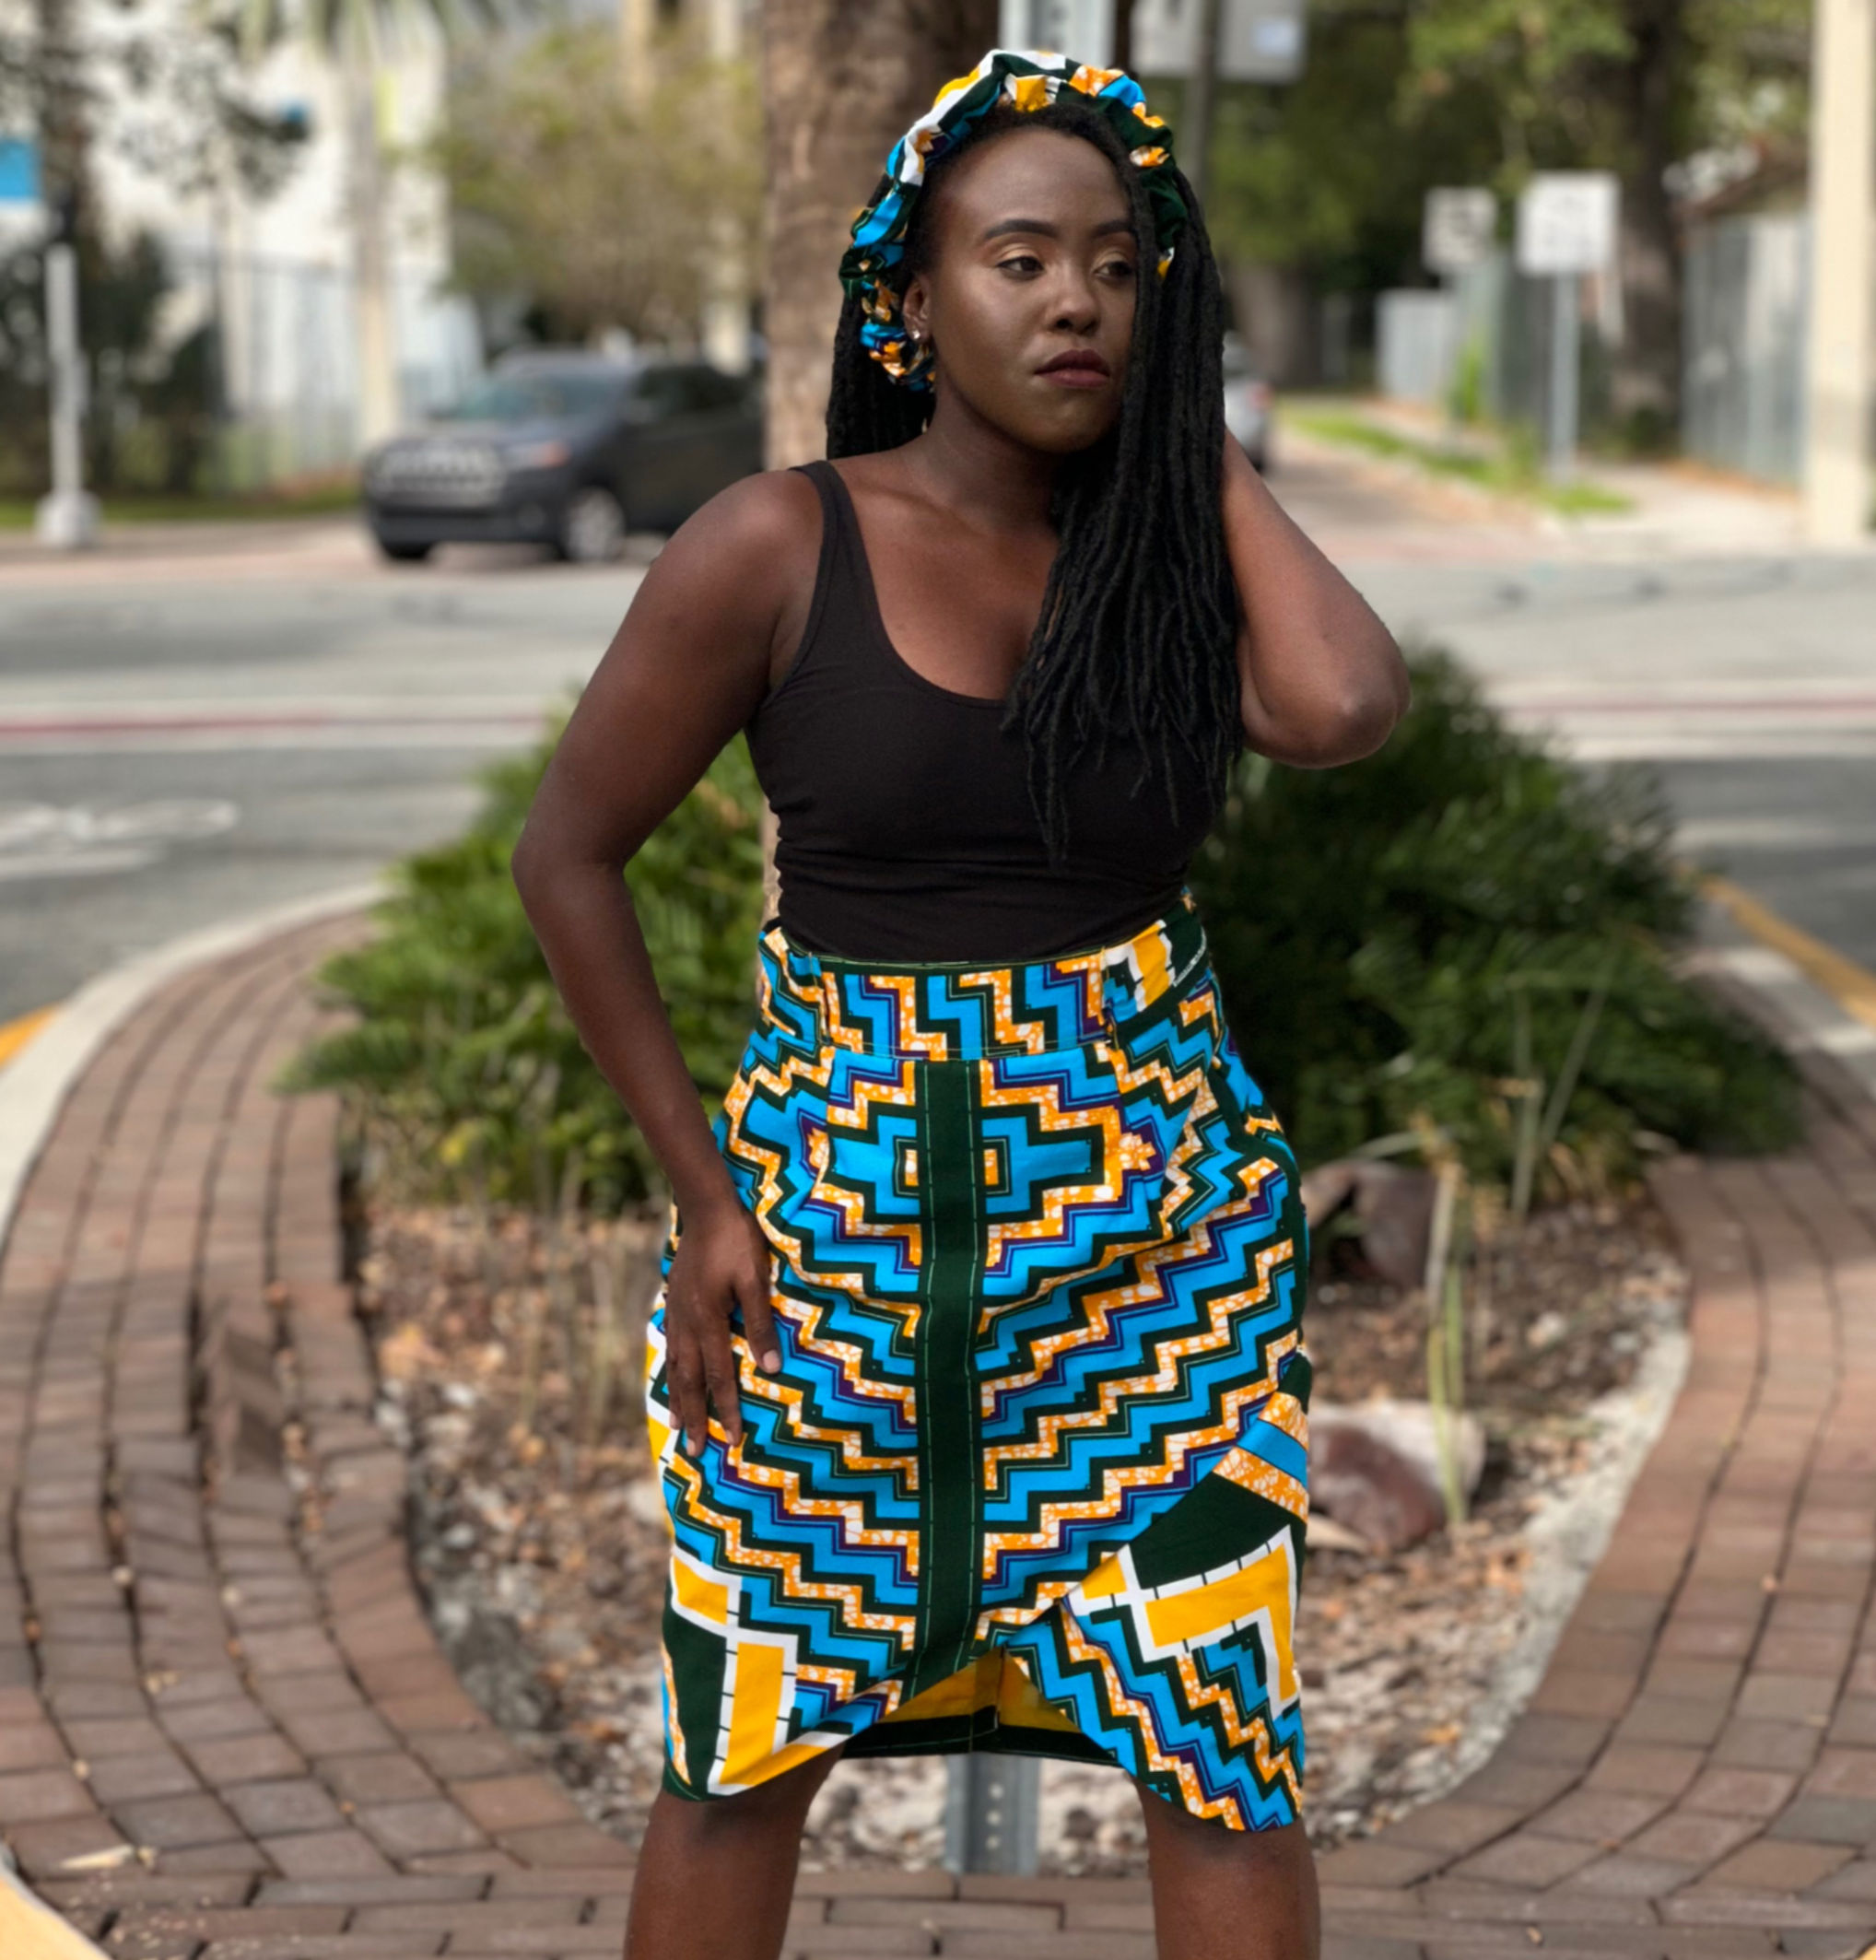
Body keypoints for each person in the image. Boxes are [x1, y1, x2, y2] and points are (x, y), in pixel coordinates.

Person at [512, 50, 1408, 1960]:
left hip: (1153, 1260)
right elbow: (566, 855)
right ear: (912, 306)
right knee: (739, 1750)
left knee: (1220, 1756)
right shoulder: (774, 545)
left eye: (1119, 268)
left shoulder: (1161, 561)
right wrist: (700, 1191)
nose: (1077, 299)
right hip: (829, 1247)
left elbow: (1340, 704)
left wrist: (1187, 444)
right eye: (1020, 260)